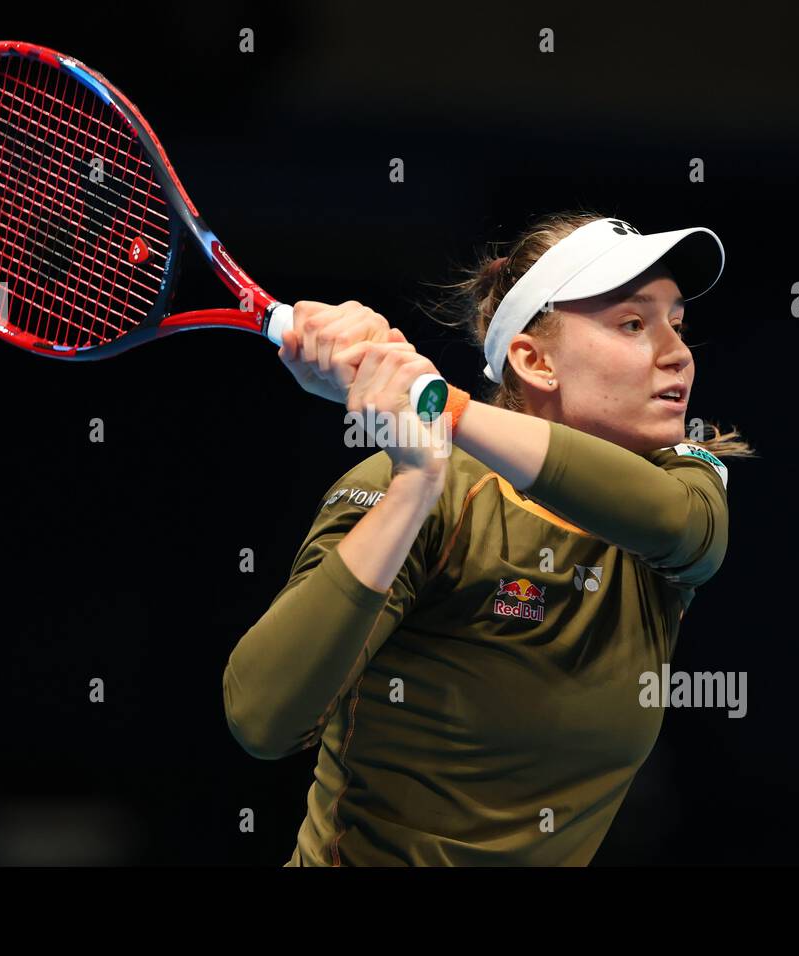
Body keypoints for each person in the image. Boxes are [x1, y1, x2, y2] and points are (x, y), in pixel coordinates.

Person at [223, 210, 757, 866]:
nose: (677, 352)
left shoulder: (686, 480)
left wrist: (434, 401)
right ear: (534, 362)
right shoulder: (428, 492)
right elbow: (263, 718)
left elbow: (675, 523)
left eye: (678, 324)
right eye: (633, 323)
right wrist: (415, 484)